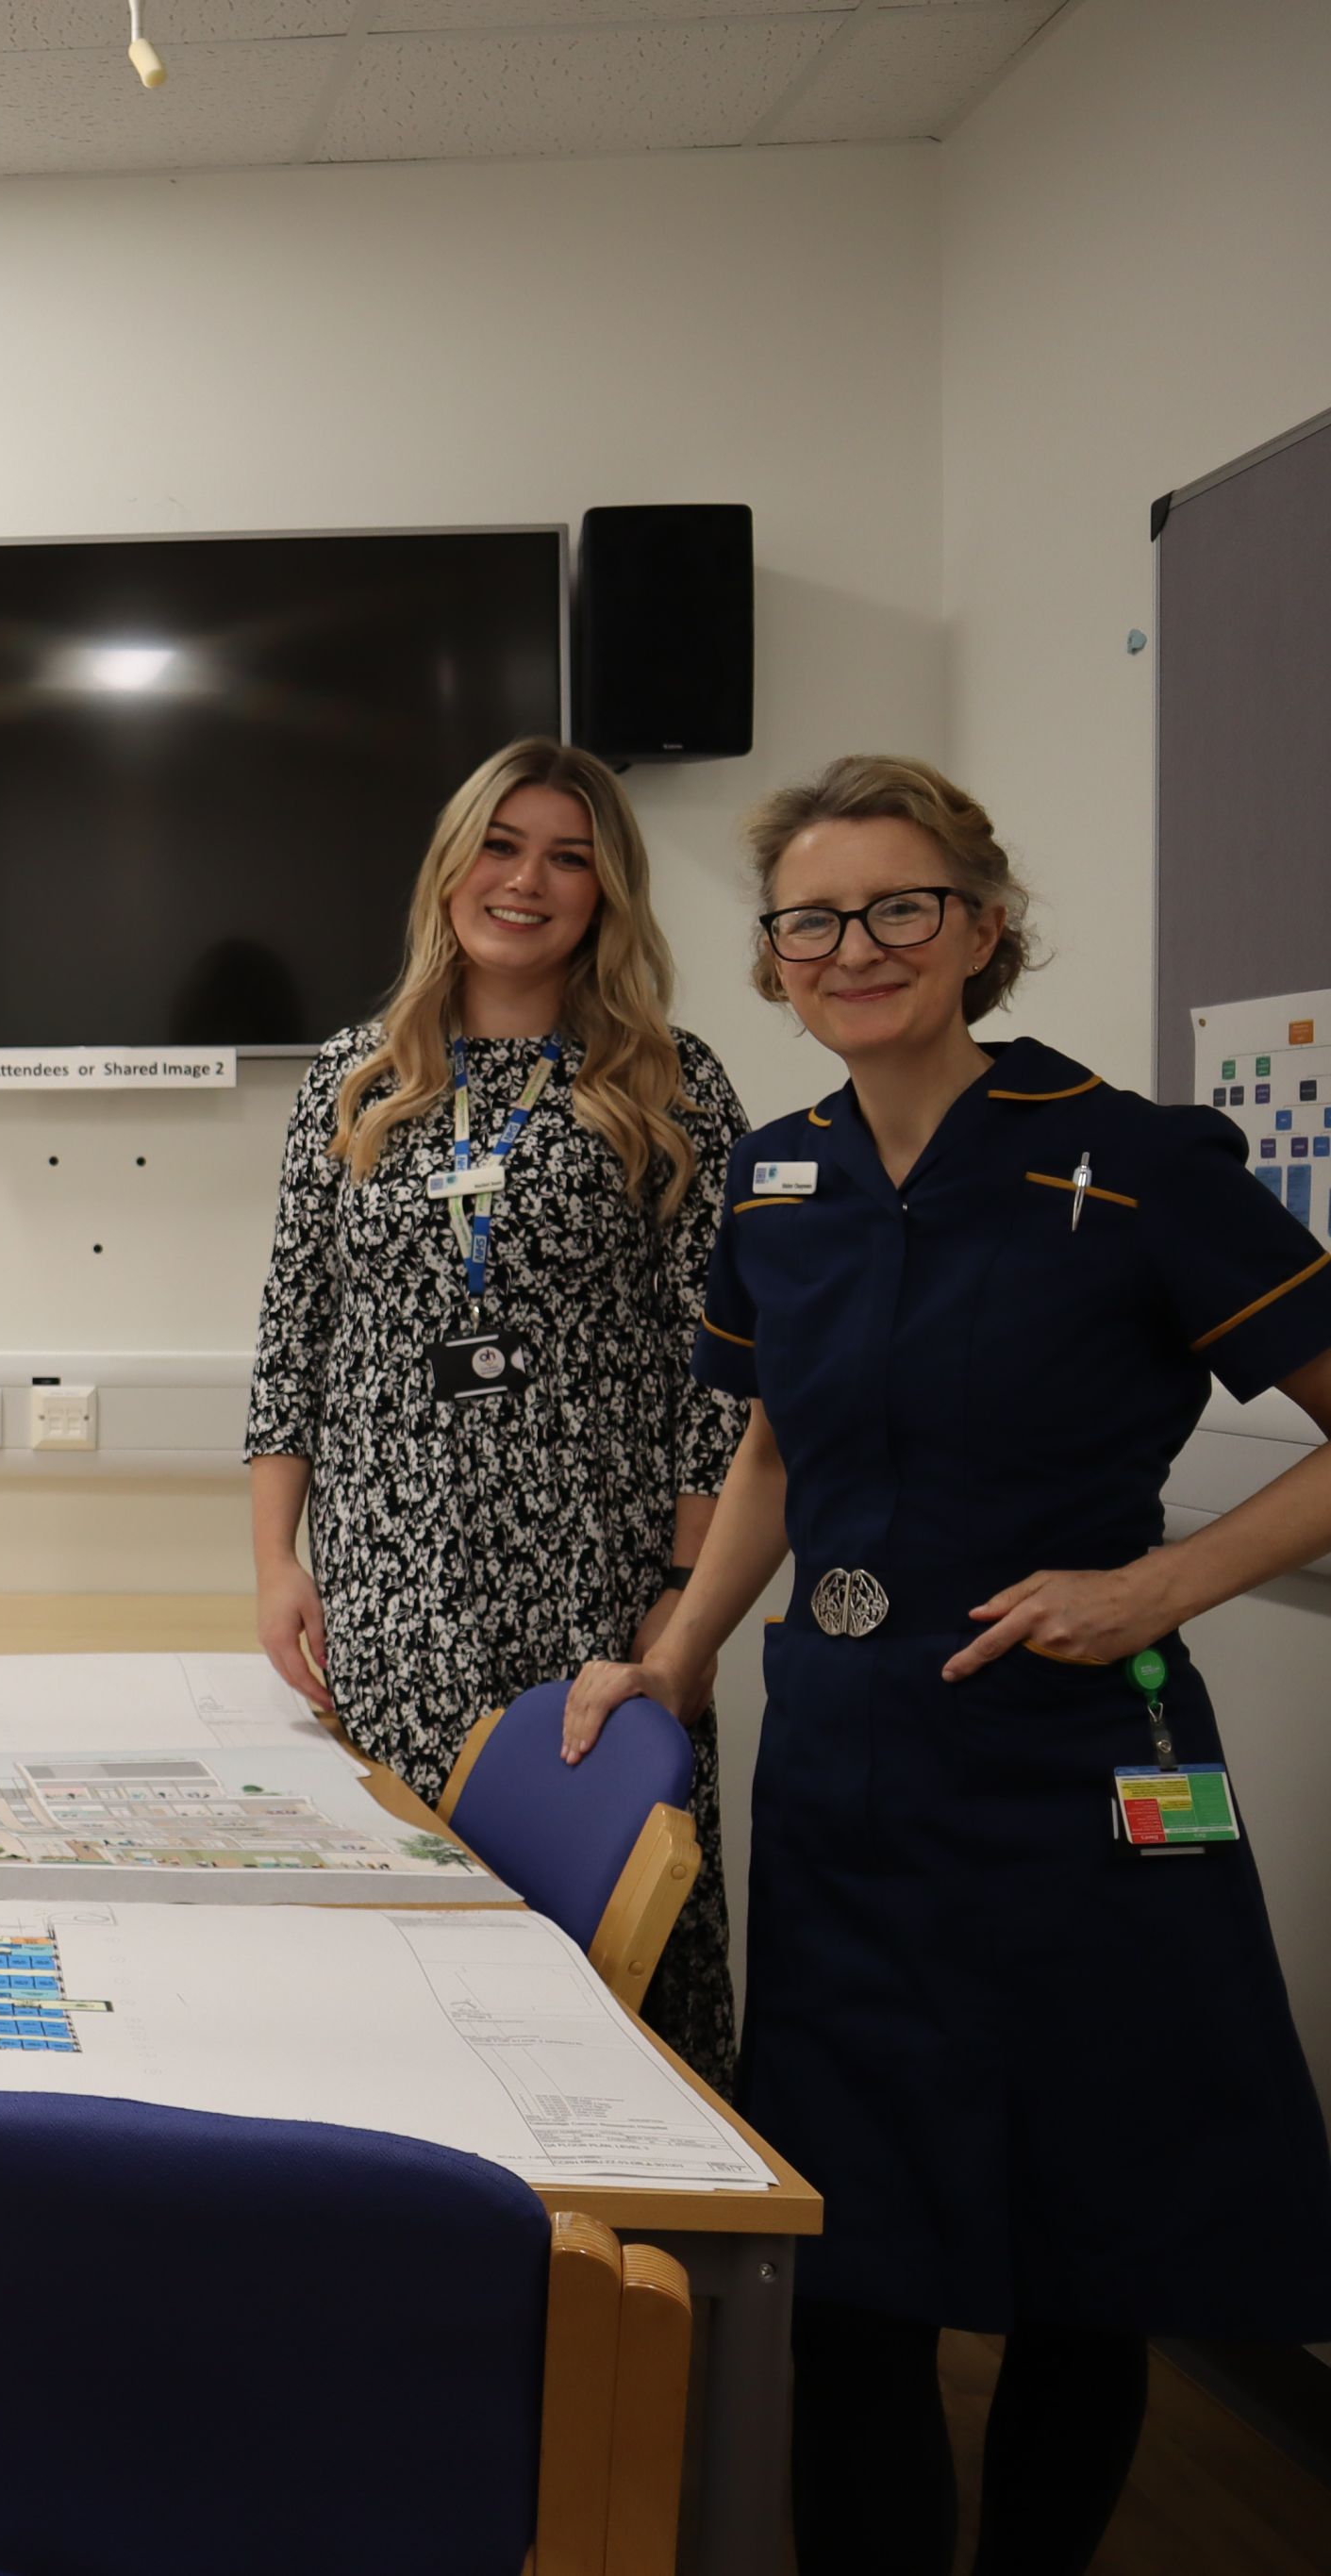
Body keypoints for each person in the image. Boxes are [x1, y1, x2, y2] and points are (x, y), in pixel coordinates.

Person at [564, 756, 1331, 2575]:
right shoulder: (774, 1180)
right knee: (851, 2255)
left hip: (1079, 1775)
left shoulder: (1136, 1161)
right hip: (842, 1772)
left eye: (901, 905)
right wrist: (672, 1662)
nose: (858, 946)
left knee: (1099, 2242)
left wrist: (1162, 1586)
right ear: (770, 957)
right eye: (813, 919)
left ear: (981, 926)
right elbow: (767, 1458)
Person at [245, 738, 750, 2086]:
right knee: (403, 1968)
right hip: (388, 1595)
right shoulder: (354, 1079)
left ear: (609, 892)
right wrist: (275, 1564)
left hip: (594, 1594)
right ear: (450, 866)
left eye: (569, 856)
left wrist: (684, 1595)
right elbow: (295, 1335)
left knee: (601, 1959)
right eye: (502, 843)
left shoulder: (671, 1083)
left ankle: (632, 2268)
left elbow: (725, 1370)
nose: (526, 879)